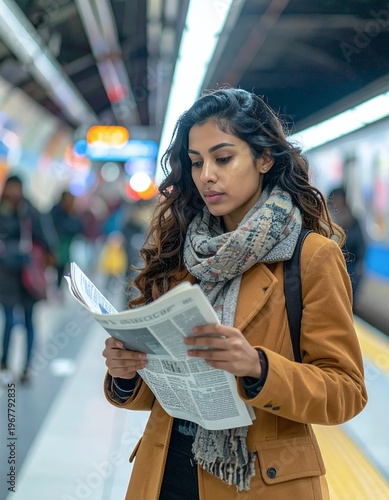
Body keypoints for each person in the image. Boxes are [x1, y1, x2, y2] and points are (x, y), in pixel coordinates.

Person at [102, 88, 367, 499]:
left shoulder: (311, 257)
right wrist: (126, 374)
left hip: (257, 482)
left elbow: (346, 391)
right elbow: (165, 390)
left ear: (264, 158)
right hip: (167, 472)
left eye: (223, 158)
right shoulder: (182, 251)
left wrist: (259, 368)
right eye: (195, 162)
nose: (206, 174)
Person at [0, 175, 52, 384]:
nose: (13, 194)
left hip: (29, 278)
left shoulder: (31, 212)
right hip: (6, 278)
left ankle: (26, 367)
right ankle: (4, 362)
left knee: (30, 321)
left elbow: (47, 240)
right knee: (10, 320)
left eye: (16, 189)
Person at [328, 187, 366, 309]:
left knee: (347, 301)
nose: (337, 203)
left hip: (350, 266)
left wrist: (360, 262)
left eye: (339, 200)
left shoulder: (353, 219)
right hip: (333, 266)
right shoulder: (327, 218)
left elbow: (361, 243)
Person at [50, 190, 83, 289]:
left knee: (62, 267)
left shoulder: (72, 213)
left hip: (66, 246)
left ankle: (58, 287)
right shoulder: (56, 212)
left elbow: (78, 228)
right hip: (56, 245)